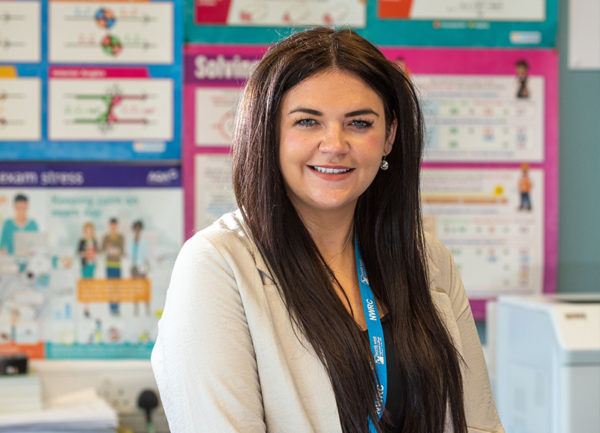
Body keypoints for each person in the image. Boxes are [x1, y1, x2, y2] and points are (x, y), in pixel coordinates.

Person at [152, 28, 504, 433]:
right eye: (307, 122)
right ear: (269, 134)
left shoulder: (426, 259)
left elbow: (477, 422)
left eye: (358, 123)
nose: (334, 144)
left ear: (389, 137)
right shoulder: (216, 265)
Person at [101, 217, 124, 316]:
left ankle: (117, 308)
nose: (113, 227)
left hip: (117, 265)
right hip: (109, 265)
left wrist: (116, 251)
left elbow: (122, 251)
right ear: (109, 226)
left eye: (115, 225)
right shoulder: (106, 237)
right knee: (110, 287)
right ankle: (111, 309)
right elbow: (102, 250)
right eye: (111, 225)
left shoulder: (120, 237)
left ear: (117, 226)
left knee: (117, 287)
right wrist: (108, 249)